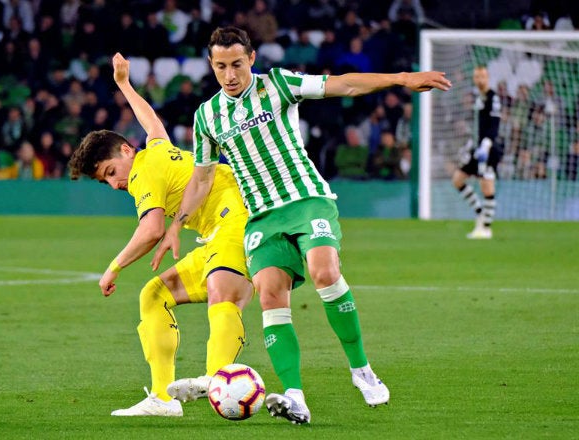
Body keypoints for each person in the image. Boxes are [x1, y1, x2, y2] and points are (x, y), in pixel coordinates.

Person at [154, 26, 451, 425]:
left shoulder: (278, 84)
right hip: (261, 216)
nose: (230, 74)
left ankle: (361, 370)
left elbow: (342, 85)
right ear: (211, 65)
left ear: (252, 59)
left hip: (306, 199)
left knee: (324, 271)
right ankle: (295, 396)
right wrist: (177, 225)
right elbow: (202, 178)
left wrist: (400, 79)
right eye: (221, 66)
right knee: (270, 295)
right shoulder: (206, 116)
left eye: (237, 64)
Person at [68, 53, 253, 417]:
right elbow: (151, 121)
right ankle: (163, 399)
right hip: (220, 231)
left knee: (222, 293)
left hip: (237, 219)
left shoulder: (141, 173)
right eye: (105, 180)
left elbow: (152, 228)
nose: (114, 183)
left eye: (109, 172)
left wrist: (114, 267)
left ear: (125, 151)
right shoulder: (156, 150)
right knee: (155, 294)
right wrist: (123, 84)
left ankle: (218, 379)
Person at [452, 66, 502, 239]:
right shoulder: (477, 99)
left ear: (487, 77)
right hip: (476, 147)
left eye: (482, 76)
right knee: (458, 179)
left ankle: (486, 228)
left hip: (488, 149)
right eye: (476, 76)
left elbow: (494, 125)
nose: (479, 79)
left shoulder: (493, 98)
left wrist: (486, 145)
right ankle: (481, 213)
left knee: (486, 186)